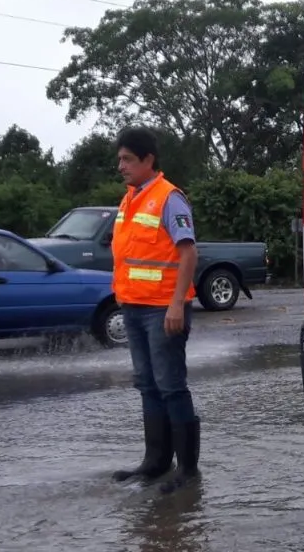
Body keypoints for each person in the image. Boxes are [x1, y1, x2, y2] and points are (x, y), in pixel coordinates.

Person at [109, 125, 201, 493]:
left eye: (128, 159)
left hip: (162, 310)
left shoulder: (169, 198)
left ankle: (187, 469)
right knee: (147, 385)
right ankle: (155, 461)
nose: (121, 166)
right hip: (133, 308)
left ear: (149, 160)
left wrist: (177, 304)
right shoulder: (130, 199)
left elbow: (188, 252)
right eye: (119, 159)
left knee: (170, 386)